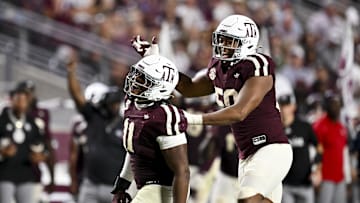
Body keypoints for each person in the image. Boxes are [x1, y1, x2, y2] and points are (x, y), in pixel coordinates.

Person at [132, 14, 293, 203]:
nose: (223, 45)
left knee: (246, 199)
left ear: (247, 43)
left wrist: (191, 118)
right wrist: (156, 61)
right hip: (246, 154)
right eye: (221, 39)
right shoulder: (220, 67)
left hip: (270, 148)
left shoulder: (257, 66)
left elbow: (239, 112)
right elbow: (189, 88)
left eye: (230, 41)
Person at [111, 55, 190, 203]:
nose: (134, 81)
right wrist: (122, 185)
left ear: (160, 87)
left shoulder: (164, 116)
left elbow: (182, 171)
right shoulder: (132, 105)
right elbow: (134, 151)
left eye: (142, 79)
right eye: (136, 75)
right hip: (143, 186)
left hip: (162, 190)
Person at [67, 56, 127, 203]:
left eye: (115, 103)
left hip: (116, 188)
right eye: (111, 103)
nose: (113, 106)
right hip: (91, 185)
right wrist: (71, 72)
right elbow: (77, 96)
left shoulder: (126, 124)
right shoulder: (95, 118)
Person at [0, 87, 48, 203]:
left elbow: (43, 146)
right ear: (11, 100)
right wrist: (2, 152)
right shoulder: (2, 120)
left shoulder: (32, 122)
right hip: (4, 174)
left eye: (24, 100)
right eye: (19, 99)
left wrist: (41, 156)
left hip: (26, 174)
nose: (22, 103)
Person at [277, 93, 322, 203]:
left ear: (293, 106)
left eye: (287, 105)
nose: (284, 109)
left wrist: (318, 170)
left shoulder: (304, 126)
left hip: (305, 183)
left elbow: (319, 147)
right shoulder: (275, 129)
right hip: (285, 184)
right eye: (281, 105)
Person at [312, 92, 349, 203]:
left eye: (337, 104)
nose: (335, 107)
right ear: (327, 106)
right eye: (333, 104)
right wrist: (315, 172)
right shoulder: (319, 125)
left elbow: (343, 151)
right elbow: (314, 150)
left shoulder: (341, 127)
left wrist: (347, 176)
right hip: (325, 176)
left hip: (340, 177)